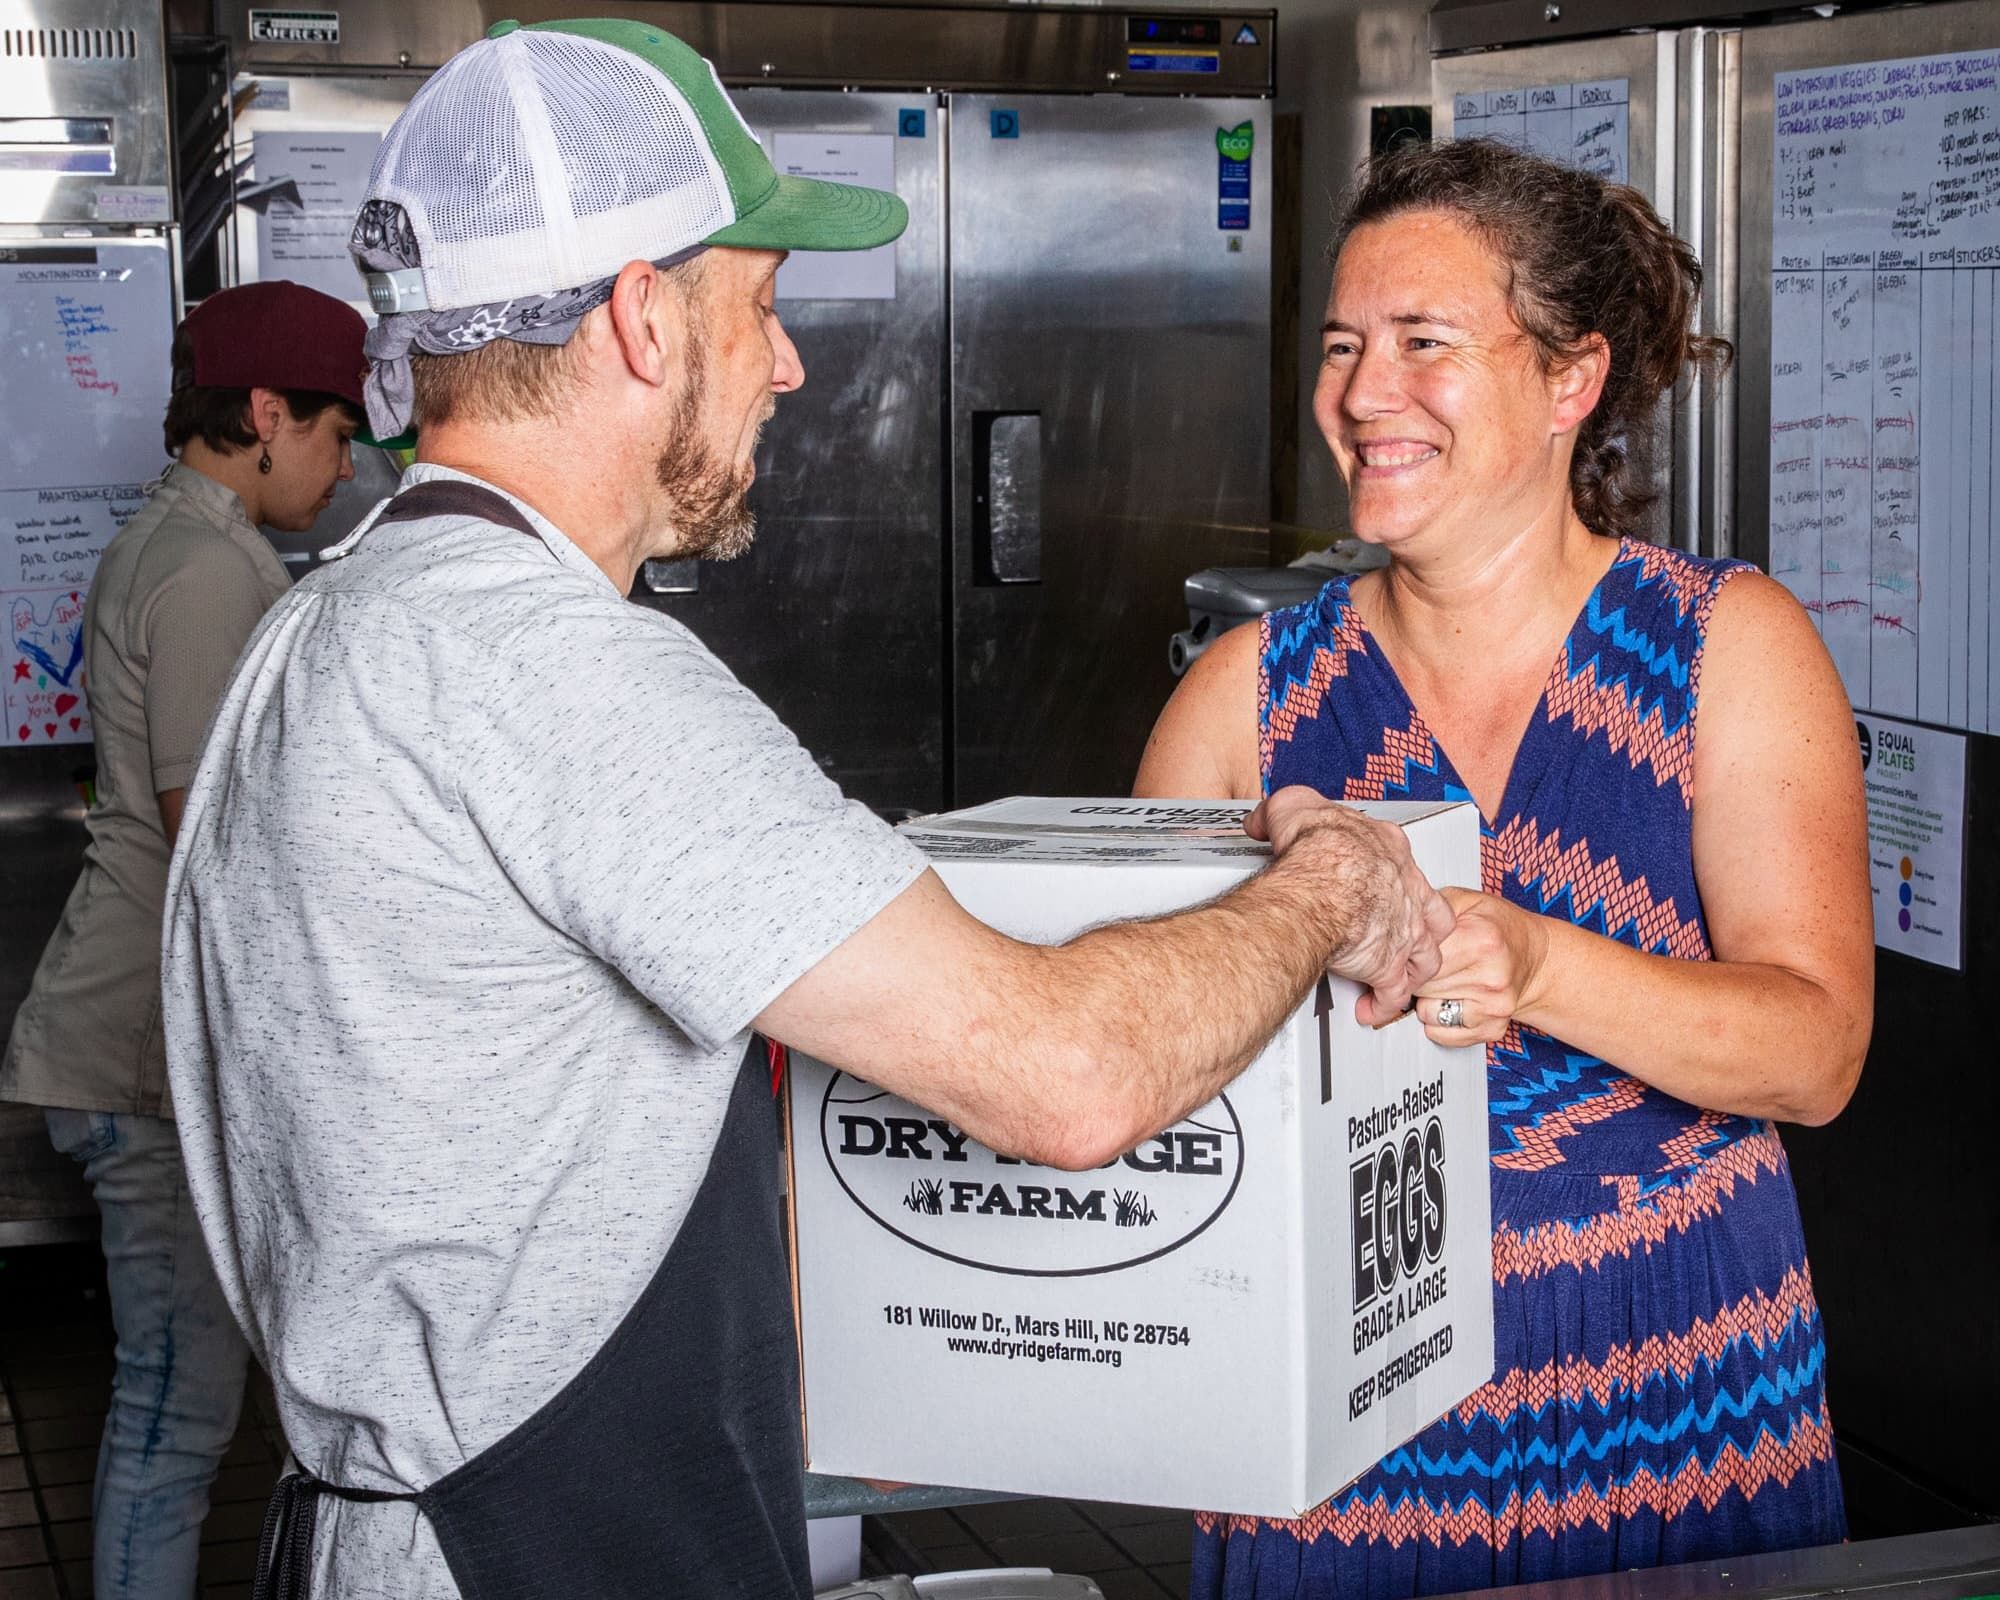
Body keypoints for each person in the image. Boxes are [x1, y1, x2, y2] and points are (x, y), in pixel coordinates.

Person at [157, 21, 1452, 1600]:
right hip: (532, 1553)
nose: (789, 365)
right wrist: (1327, 886)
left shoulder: (340, 619)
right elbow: (1068, 1077)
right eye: (760, 308)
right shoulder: (555, 671)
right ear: (642, 317)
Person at [1136, 137, 1872, 1596]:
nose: (1362, 393)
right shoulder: (1245, 701)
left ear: (1569, 379)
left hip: (1674, 1397)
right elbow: (1160, 1073)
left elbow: (1816, 1052)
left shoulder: (1727, 650)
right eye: (1344, 346)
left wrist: (1529, 960)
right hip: (1340, 1439)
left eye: (1425, 343)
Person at [0, 279, 366, 1599]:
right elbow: (214, 830)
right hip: (141, 1052)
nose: (340, 467)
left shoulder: (177, 539)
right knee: (175, 1413)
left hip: (133, 1034)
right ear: (263, 413)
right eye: (331, 432)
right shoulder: (210, 566)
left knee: (179, 1404)